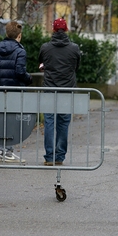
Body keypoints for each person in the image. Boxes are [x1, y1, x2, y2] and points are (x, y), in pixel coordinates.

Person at [38, 18, 81, 166]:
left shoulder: (45, 47)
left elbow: (42, 62)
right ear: (67, 29)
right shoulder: (74, 48)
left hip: (50, 88)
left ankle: (49, 156)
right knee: (63, 123)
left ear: (53, 30)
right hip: (67, 90)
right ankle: (59, 157)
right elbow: (76, 67)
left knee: (49, 121)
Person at [0, 21, 32, 162]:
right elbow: (20, 72)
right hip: (16, 89)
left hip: (2, 88)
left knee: (1, 120)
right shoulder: (20, 51)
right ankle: (8, 152)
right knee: (13, 121)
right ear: (19, 35)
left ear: (7, 33)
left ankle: (0, 150)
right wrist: (29, 79)